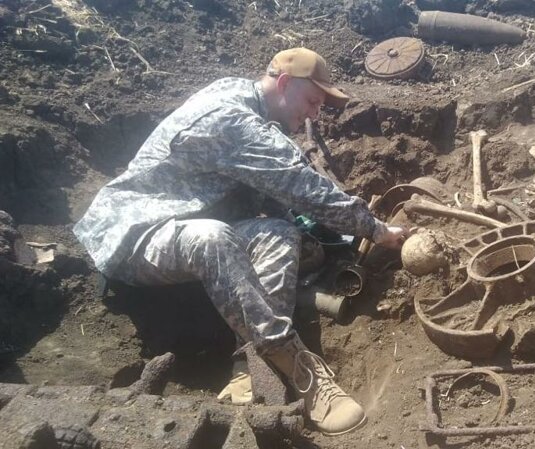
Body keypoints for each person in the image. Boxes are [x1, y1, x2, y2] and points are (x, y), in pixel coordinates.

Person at [73, 48, 407, 435]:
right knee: (211, 237)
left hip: (190, 222)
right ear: (283, 83)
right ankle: (298, 365)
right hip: (136, 232)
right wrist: (376, 230)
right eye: (312, 100)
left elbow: (270, 193)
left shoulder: (242, 99)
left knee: (280, 235)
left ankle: (249, 369)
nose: (315, 114)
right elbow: (302, 186)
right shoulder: (230, 117)